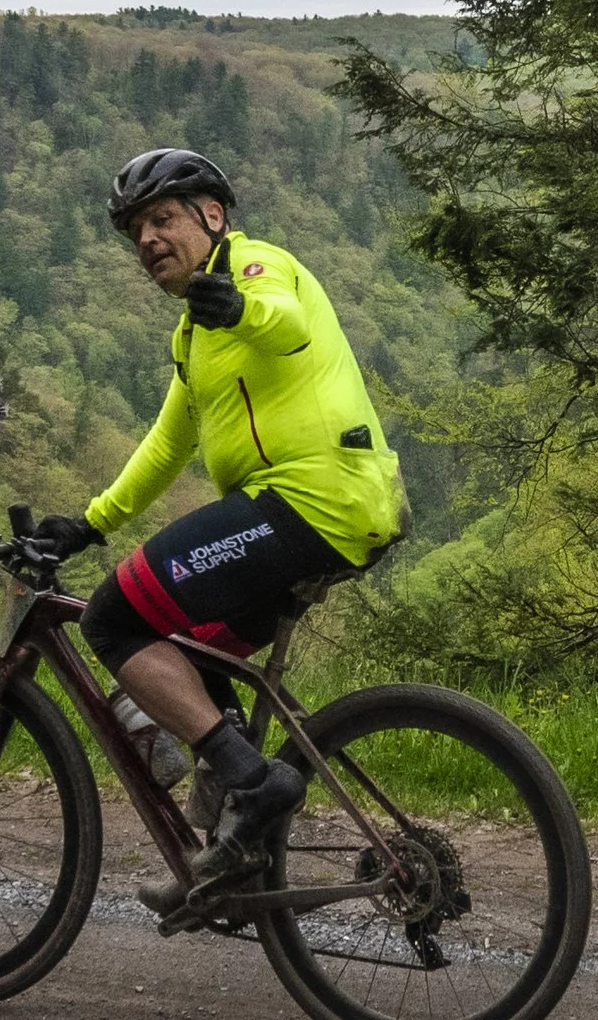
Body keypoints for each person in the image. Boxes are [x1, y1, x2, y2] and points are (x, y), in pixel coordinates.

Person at [30, 147, 408, 914]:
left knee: (112, 619)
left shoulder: (258, 268)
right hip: (325, 511)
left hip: (311, 500)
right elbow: (169, 444)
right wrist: (89, 522)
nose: (148, 240)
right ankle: (228, 852)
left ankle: (257, 783)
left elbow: (288, 323)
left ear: (212, 216)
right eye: (136, 230)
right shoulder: (192, 336)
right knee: (187, 656)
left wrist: (238, 308)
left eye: (163, 219)